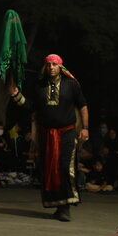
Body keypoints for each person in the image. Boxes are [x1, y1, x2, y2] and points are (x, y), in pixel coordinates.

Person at [8, 54, 89, 221]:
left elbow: (83, 106)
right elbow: (32, 107)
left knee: (65, 166)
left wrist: (86, 128)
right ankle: (58, 206)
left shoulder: (71, 84)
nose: (51, 67)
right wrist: (16, 95)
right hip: (47, 134)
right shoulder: (39, 86)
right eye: (48, 65)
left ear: (60, 66)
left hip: (67, 133)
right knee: (50, 170)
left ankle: (65, 206)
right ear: (45, 67)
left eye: (54, 64)